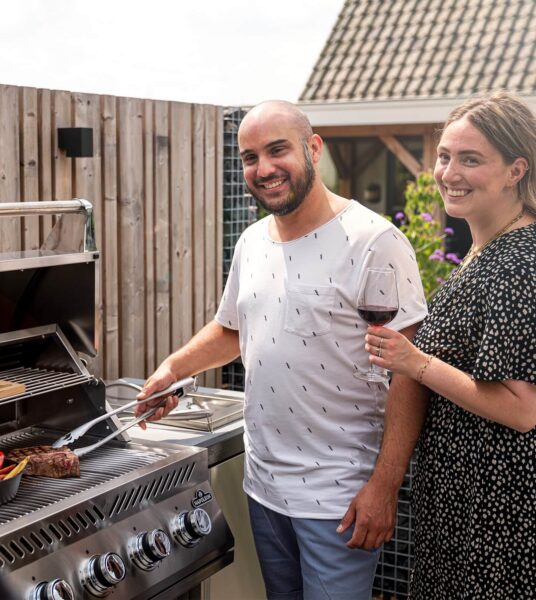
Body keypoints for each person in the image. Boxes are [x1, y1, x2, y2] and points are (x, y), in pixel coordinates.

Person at [136, 100, 427, 600]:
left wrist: (384, 486)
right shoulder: (252, 241)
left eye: (277, 150)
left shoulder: (374, 240)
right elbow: (232, 329)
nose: (264, 169)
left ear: (312, 148)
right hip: (264, 488)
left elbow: (410, 372)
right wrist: (172, 369)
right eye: (250, 157)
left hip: (339, 496)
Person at [364, 91, 536, 599]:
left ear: (515, 170)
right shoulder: (488, 249)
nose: (449, 172)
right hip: (466, 499)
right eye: (444, 156)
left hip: (497, 510)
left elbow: (522, 408)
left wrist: (414, 363)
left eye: (471, 159)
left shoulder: (518, 263)